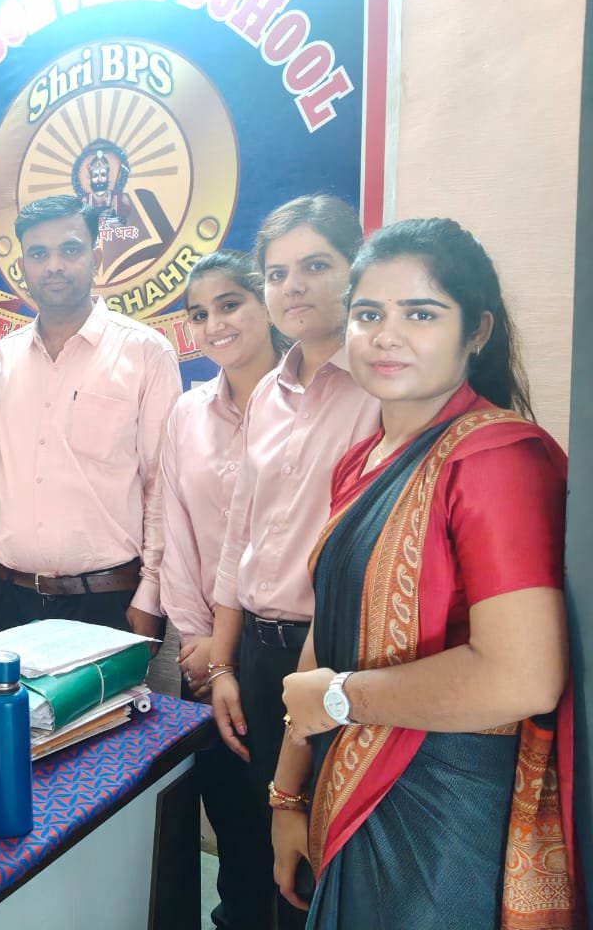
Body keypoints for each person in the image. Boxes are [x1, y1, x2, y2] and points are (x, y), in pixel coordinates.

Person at [271, 218, 579, 928]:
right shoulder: (361, 460)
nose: (387, 336)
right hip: (345, 775)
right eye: (368, 314)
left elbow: (522, 679)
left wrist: (341, 700)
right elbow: (328, 630)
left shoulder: (497, 461)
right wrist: (287, 793)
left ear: (477, 331)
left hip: (443, 818)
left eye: (421, 314)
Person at [206, 196, 381, 930]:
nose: (294, 287)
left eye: (315, 266)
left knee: (314, 858)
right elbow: (238, 537)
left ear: (356, 271)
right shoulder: (269, 395)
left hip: (332, 654)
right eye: (277, 273)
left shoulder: (380, 388)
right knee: (251, 846)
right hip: (255, 651)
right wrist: (220, 664)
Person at [150, 252, 287, 929]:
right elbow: (174, 529)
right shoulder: (188, 412)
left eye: (230, 304)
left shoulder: (312, 403)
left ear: (268, 305)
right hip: (205, 647)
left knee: (297, 823)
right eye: (199, 313)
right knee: (233, 819)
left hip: (291, 644)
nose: (214, 324)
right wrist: (199, 641)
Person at [0, 194, 181, 637]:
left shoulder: (145, 353)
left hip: (109, 601)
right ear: (23, 266)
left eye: (69, 250)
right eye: (39, 254)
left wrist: (151, 592)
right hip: (7, 599)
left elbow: (163, 483)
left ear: (96, 257)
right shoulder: (0, 359)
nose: (54, 265)